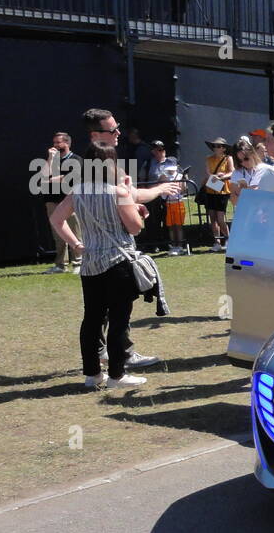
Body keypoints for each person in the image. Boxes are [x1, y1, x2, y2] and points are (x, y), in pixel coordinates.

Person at [50, 145, 182, 389]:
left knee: (92, 319)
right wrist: (140, 214)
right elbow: (134, 228)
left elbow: (56, 219)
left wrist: (77, 244)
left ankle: (92, 375)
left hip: (90, 264)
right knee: (119, 320)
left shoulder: (78, 193)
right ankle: (117, 375)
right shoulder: (117, 192)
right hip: (117, 262)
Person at [39, 132, 81, 272]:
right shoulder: (52, 160)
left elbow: (73, 177)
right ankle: (60, 264)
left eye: (59, 142)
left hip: (69, 200)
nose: (55, 145)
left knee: (75, 231)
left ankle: (79, 263)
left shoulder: (76, 159)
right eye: (54, 142)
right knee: (58, 234)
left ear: (67, 144)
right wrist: (50, 159)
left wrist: (55, 179)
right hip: (52, 200)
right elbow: (43, 177)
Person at [201, 138, 234, 252]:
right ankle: (217, 242)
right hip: (211, 190)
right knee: (212, 218)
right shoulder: (209, 159)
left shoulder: (228, 158)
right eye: (215, 146)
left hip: (223, 190)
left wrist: (221, 176)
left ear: (224, 148)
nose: (216, 148)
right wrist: (213, 176)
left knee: (220, 218)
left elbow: (231, 172)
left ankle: (229, 239)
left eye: (219, 146)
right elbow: (208, 172)